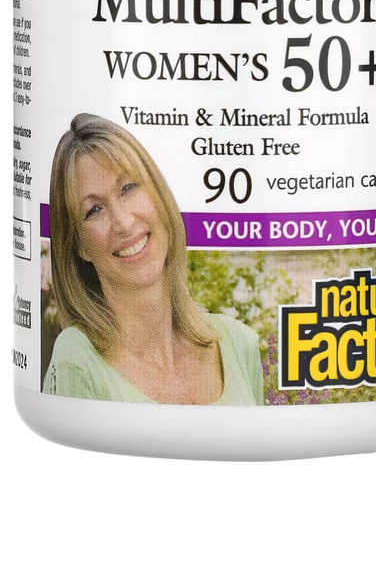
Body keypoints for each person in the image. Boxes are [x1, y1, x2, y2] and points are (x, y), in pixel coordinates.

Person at [43, 113, 264, 405]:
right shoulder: (77, 359)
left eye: (128, 188)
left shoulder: (239, 344)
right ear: (78, 246)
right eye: (94, 210)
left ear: (158, 194)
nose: (123, 223)